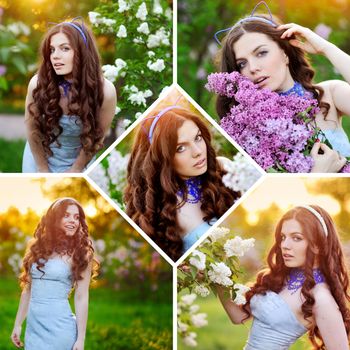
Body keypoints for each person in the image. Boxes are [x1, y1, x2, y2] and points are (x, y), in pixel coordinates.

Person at [215, 2, 350, 172]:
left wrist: (325, 48)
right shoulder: (249, 132)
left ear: (284, 52)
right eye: (242, 64)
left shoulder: (329, 94)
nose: (253, 68)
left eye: (261, 53)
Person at [216, 205, 350, 349]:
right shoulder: (279, 278)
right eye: (283, 237)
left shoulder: (322, 299)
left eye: (296, 238)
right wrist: (216, 279)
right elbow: (238, 317)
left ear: (318, 244)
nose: (284, 245)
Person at [124, 106, 239, 261]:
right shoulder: (165, 213)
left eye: (198, 138)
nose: (197, 151)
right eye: (181, 148)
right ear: (161, 158)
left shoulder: (223, 168)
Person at [22, 18, 116, 173]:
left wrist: (76, 169)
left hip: (80, 162)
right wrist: (42, 168)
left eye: (64, 48)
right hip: (39, 158)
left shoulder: (106, 91)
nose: (55, 56)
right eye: (52, 50)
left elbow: (96, 137)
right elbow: (32, 130)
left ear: (82, 52)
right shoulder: (37, 84)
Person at [11, 197, 99, 350]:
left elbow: (81, 296)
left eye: (76, 217)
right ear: (54, 219)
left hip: (61, 329)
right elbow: (28, 289)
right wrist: (18, 324)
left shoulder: (81, 254)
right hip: (34, 330)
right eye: (66, 215)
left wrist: (81, 339)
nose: (73, 220)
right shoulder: (37, 249)